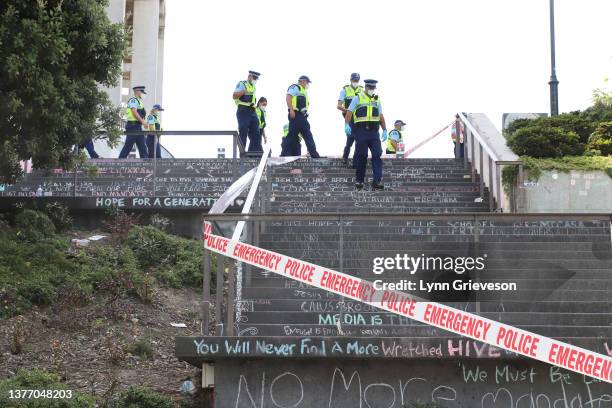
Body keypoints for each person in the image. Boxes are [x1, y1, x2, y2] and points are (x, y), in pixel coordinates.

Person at [345, 79, 387, 191]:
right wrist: (346, 124)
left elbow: (381, 116)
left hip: (374, 133)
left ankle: (377, 181)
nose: (372, 90)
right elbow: (349, 112)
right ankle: (359, 181)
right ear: (366, 87)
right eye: (371, 88)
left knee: (377, 155)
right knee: (362, 156)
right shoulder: (357, 98)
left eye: (374, 88)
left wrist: (385, 129)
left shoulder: (377, 100)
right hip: (361, 131)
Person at [281, 75, 320, 158]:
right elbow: (288, 97)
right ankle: (284, 154)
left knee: (308, 134)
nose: (308, 84)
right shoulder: (295, 87)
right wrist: (291, 110)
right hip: (295, 115)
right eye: (307, 82)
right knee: (292, 135)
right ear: (303, 81)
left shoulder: (304, 91)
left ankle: (314, 154)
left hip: (302, 116)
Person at [232, 70, 263, 156]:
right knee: (243, 131)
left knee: (256, 133)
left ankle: (255, 154)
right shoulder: (242, 84)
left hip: (252, 111)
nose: (255, 79)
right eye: (255, 77)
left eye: (257, 78)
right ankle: (242, 154)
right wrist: (244, 91)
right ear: (249, 76)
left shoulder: (253, 86)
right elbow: (234, 96)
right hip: (243, 111)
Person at [337, 73, 363, 166]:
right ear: (351, 80)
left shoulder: (362, 90)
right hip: (349, 117)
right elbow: (339, 106)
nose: (355, 82)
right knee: (350, 138)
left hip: (360, 118)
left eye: (357, 80)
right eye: (354, 80)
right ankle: (345, 157)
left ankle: (356, 160)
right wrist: (348, 110)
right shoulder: (345, 90)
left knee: (359, 139)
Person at [119, 85, 148, 158]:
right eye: (142, 92)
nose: (143, 94)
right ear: (137, 91)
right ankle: (120, 161)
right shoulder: (133, 100)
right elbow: (134, 112)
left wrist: (142, 122)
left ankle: (146, 163)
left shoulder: (139, 101)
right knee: (128, 146)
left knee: (142, 146)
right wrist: (143, 122)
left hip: (137, 126)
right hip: (133, 126)